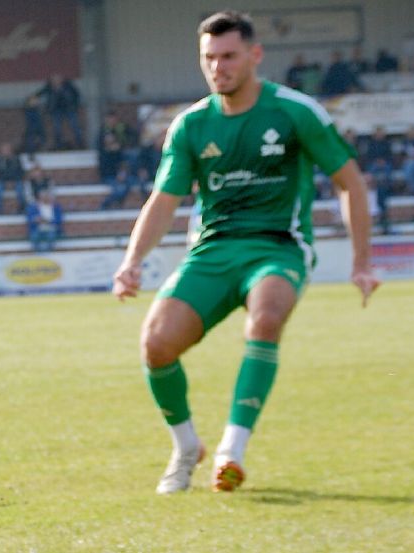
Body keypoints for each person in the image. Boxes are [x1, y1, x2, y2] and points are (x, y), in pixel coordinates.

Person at [111, 10, 379, 496]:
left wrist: (362, 261)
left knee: (268, 315)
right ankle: (187, 446)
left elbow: (350, 182)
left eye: (229, 56)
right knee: (156, 344)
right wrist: (131, 262)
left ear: (255, 56)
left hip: (278, 247)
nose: (219, 67)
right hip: (213, 249)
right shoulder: (190, 125)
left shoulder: (295, 112)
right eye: (209, 58)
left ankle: (232, 451)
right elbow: (163, 201)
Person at [37, 73, 84, 150]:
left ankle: (80, 144)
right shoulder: (49, 87)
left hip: (69, 109)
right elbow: (41, 92)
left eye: (57, 79)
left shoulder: (68, 86)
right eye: (54, 79)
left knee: (75, 126)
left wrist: (74, 105)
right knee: (57, 128)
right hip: (56, 110)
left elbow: (76, 94)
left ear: (62, 79)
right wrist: (33, 97)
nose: (56, 81)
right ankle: (58, 145)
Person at [0, 142, 26, 214]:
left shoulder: (16, 159)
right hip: (3, 181)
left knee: (20, 190)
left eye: (7, 150)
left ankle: (22, 208)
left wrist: (13, 181)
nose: (6, 152)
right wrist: (6, 181)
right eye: (4, 150)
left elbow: (20, 172)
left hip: (15, 180)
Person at [25, 188, 63, 252]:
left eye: (47, 196)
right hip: (38, 228)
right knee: (34, 237)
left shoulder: (56, 207)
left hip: (52, 228)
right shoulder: (34, 207)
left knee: (51, 236)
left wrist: (48, 221)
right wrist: (35, 220)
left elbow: (59, 220)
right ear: (40, 197)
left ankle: (47, 253)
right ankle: (38, 253)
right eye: (43, 197)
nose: (45, 198)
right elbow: (30, 219)